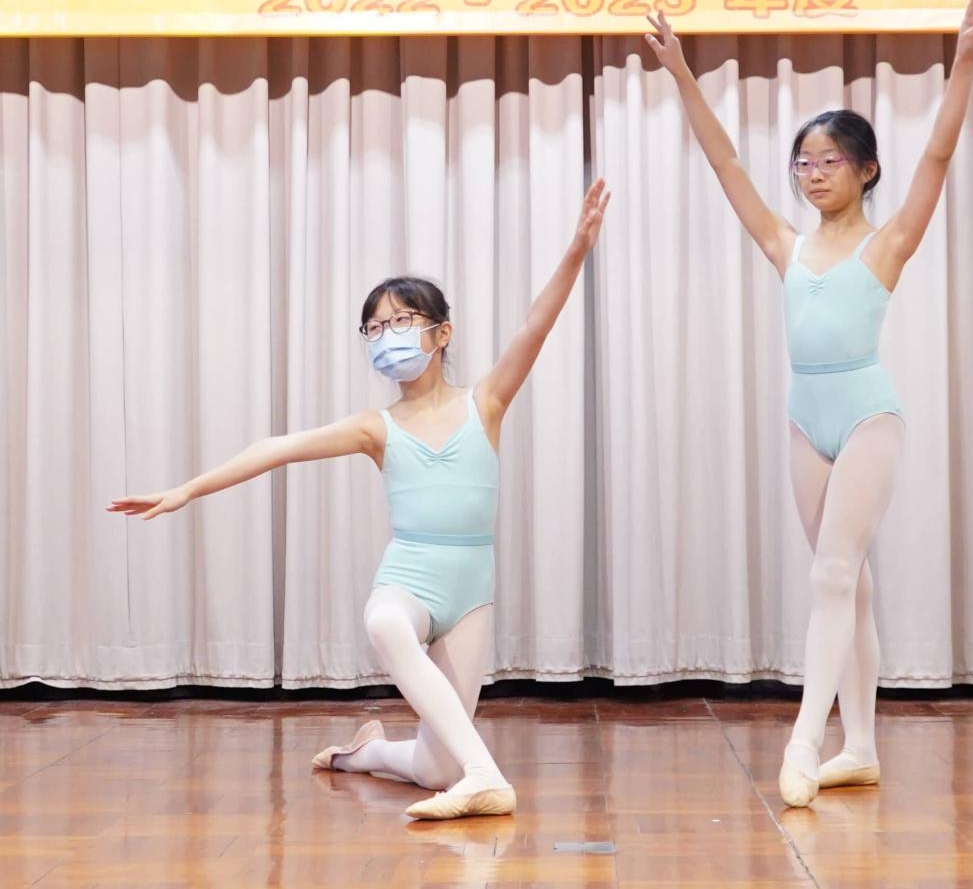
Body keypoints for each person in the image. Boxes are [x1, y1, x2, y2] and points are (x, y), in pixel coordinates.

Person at [109, 180, 611, 821]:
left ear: (441, 332)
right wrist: (186, 489)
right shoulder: (376, 427)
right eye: (374, 327)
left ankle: (362, 754)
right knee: (384, 623)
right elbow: (277, 447)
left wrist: (577, 249)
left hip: (471, 589)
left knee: (435, 768)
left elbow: (536, 325)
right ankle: (487, 777)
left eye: (400, 321)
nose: (385, 335)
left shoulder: (485, 403)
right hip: (409, 575)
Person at [644, 0, 973, 807]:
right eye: (801, 163)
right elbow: (725, 163)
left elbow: (937, 154)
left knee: (834, 573)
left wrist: (963, 66)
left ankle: (804, 738)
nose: (812, 174)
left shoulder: (887, 243)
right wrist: (681, 74)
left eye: (828, 160)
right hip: (805, 422)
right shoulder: (786, 244)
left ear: (865, 169)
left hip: (867, 415)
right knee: (847, 584)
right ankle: (859, 747)